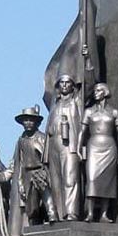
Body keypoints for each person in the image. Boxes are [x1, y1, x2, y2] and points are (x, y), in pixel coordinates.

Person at [7, 106, 57, 236]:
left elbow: (47, 158)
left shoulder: (41, 138)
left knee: (48, 200)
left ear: (37, 122)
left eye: (31, 120)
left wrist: (45, 173)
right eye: (25, 120)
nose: (28, 123)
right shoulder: (22, 140)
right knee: (32, 205)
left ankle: (53, 219)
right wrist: (20, 181)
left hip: (40, 171)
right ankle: (35, 227)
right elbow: (20, 162)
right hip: (27, 174)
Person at [77, 83, 118, 223]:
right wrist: (78, 148)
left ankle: (104, 214)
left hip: (109, 147)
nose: (95, 93)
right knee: (92, 179)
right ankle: (90, 213)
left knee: (107, 182)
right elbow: (82, 131)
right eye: (95, 91)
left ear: (105, 92)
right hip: (93, 146)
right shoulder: (89, 111)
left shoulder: (114, 112)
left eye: (98, 91)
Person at [43, 74, 83, 221]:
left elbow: (89, 84)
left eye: (67, 83)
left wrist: (87, 61)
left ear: (73, 86)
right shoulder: (55, 103)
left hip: (70, 146)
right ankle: (59, 214)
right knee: (55, 181)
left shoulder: (77, 101)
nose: (64, 85)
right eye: (61, 83)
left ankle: (71, 212)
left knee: (70, 179)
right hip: (54, 144)